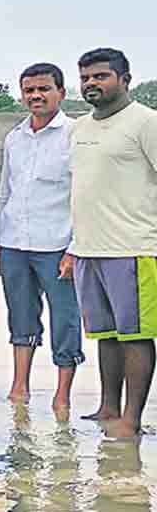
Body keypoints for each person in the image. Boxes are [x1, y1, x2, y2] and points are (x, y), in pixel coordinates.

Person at [67, 47, 157, 437]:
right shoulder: (79, 127)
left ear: (124, 79)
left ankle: (132, 418)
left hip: (133, 247)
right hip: (89, 248)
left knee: (135, 334)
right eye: (86, 77)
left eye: (101, 76)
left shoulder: (146, 123)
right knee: (105, 334)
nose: (92, 84)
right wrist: (73, 245)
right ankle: (108, 406)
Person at [0, 63, 83, 414]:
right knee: (21, 316)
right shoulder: (15, 137)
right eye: (29, 90)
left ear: (60, 91)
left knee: (66, 319)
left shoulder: (75, 134)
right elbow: (7, 192)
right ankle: (20, 387)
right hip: (15, 244)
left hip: (58, 244)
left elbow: (82, 196)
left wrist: (75, 248)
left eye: (44, 89)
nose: (36, 96)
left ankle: (62, 395)